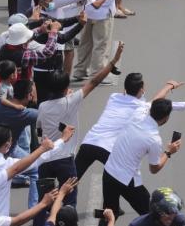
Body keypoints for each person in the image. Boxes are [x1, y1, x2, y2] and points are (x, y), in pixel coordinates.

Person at [91, 99, 182, 226]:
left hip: (110, 170)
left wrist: (169, 88)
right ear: (166, 118)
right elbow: (155, 168)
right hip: (126, 179)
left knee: (109, 212)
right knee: (153, 213)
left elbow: (156, 97)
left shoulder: (138, 114)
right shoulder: (154, 139)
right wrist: (169, 152)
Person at [37, 43, 124, 209]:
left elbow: (39, 130)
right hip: (65, 160)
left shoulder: (43, 106)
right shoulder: (72, 101)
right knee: (69, 200)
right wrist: (113, 61)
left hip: (45, 159)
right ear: (65, 88)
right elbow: (94, 81)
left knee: (44, 202)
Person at [76, 74, 185, 179]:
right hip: (108, 148)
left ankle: (60, 202)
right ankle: (111, 208)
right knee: (118, 178)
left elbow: (156, 100)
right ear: (141, 90)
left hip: (89, 142)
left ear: (125, 88)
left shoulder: (113, 97)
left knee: (72, 179)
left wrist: (169, 87)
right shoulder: (141, 107)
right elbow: (160, 102)